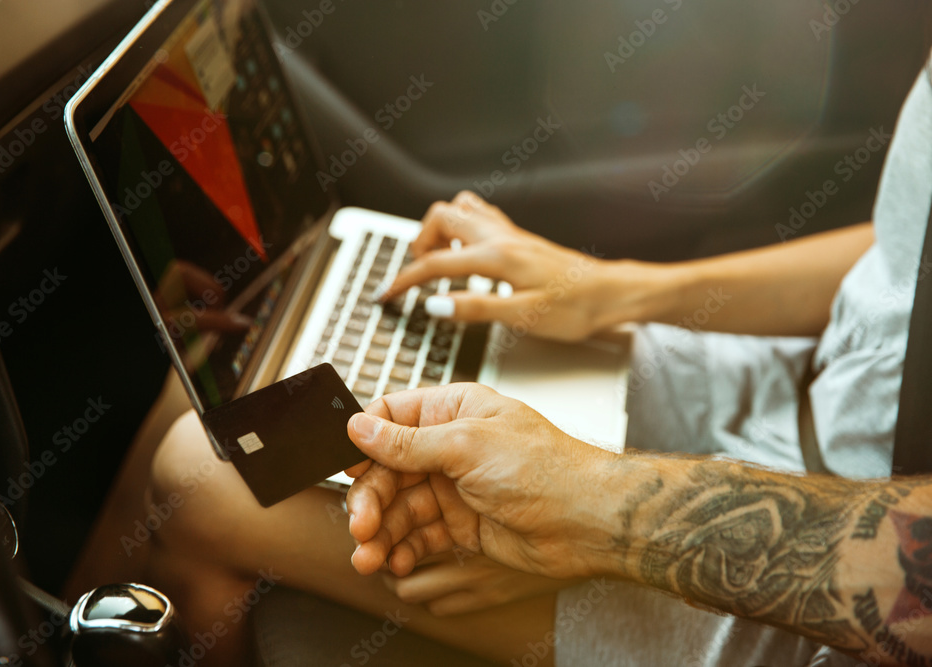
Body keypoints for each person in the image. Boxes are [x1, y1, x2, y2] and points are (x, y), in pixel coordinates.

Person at [144, 57, 931, 667]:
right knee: (215, 383)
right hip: (790, 378)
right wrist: (615, 289)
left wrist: (594, 511)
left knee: (193, 466)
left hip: (834, 601)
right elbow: (906, 255)